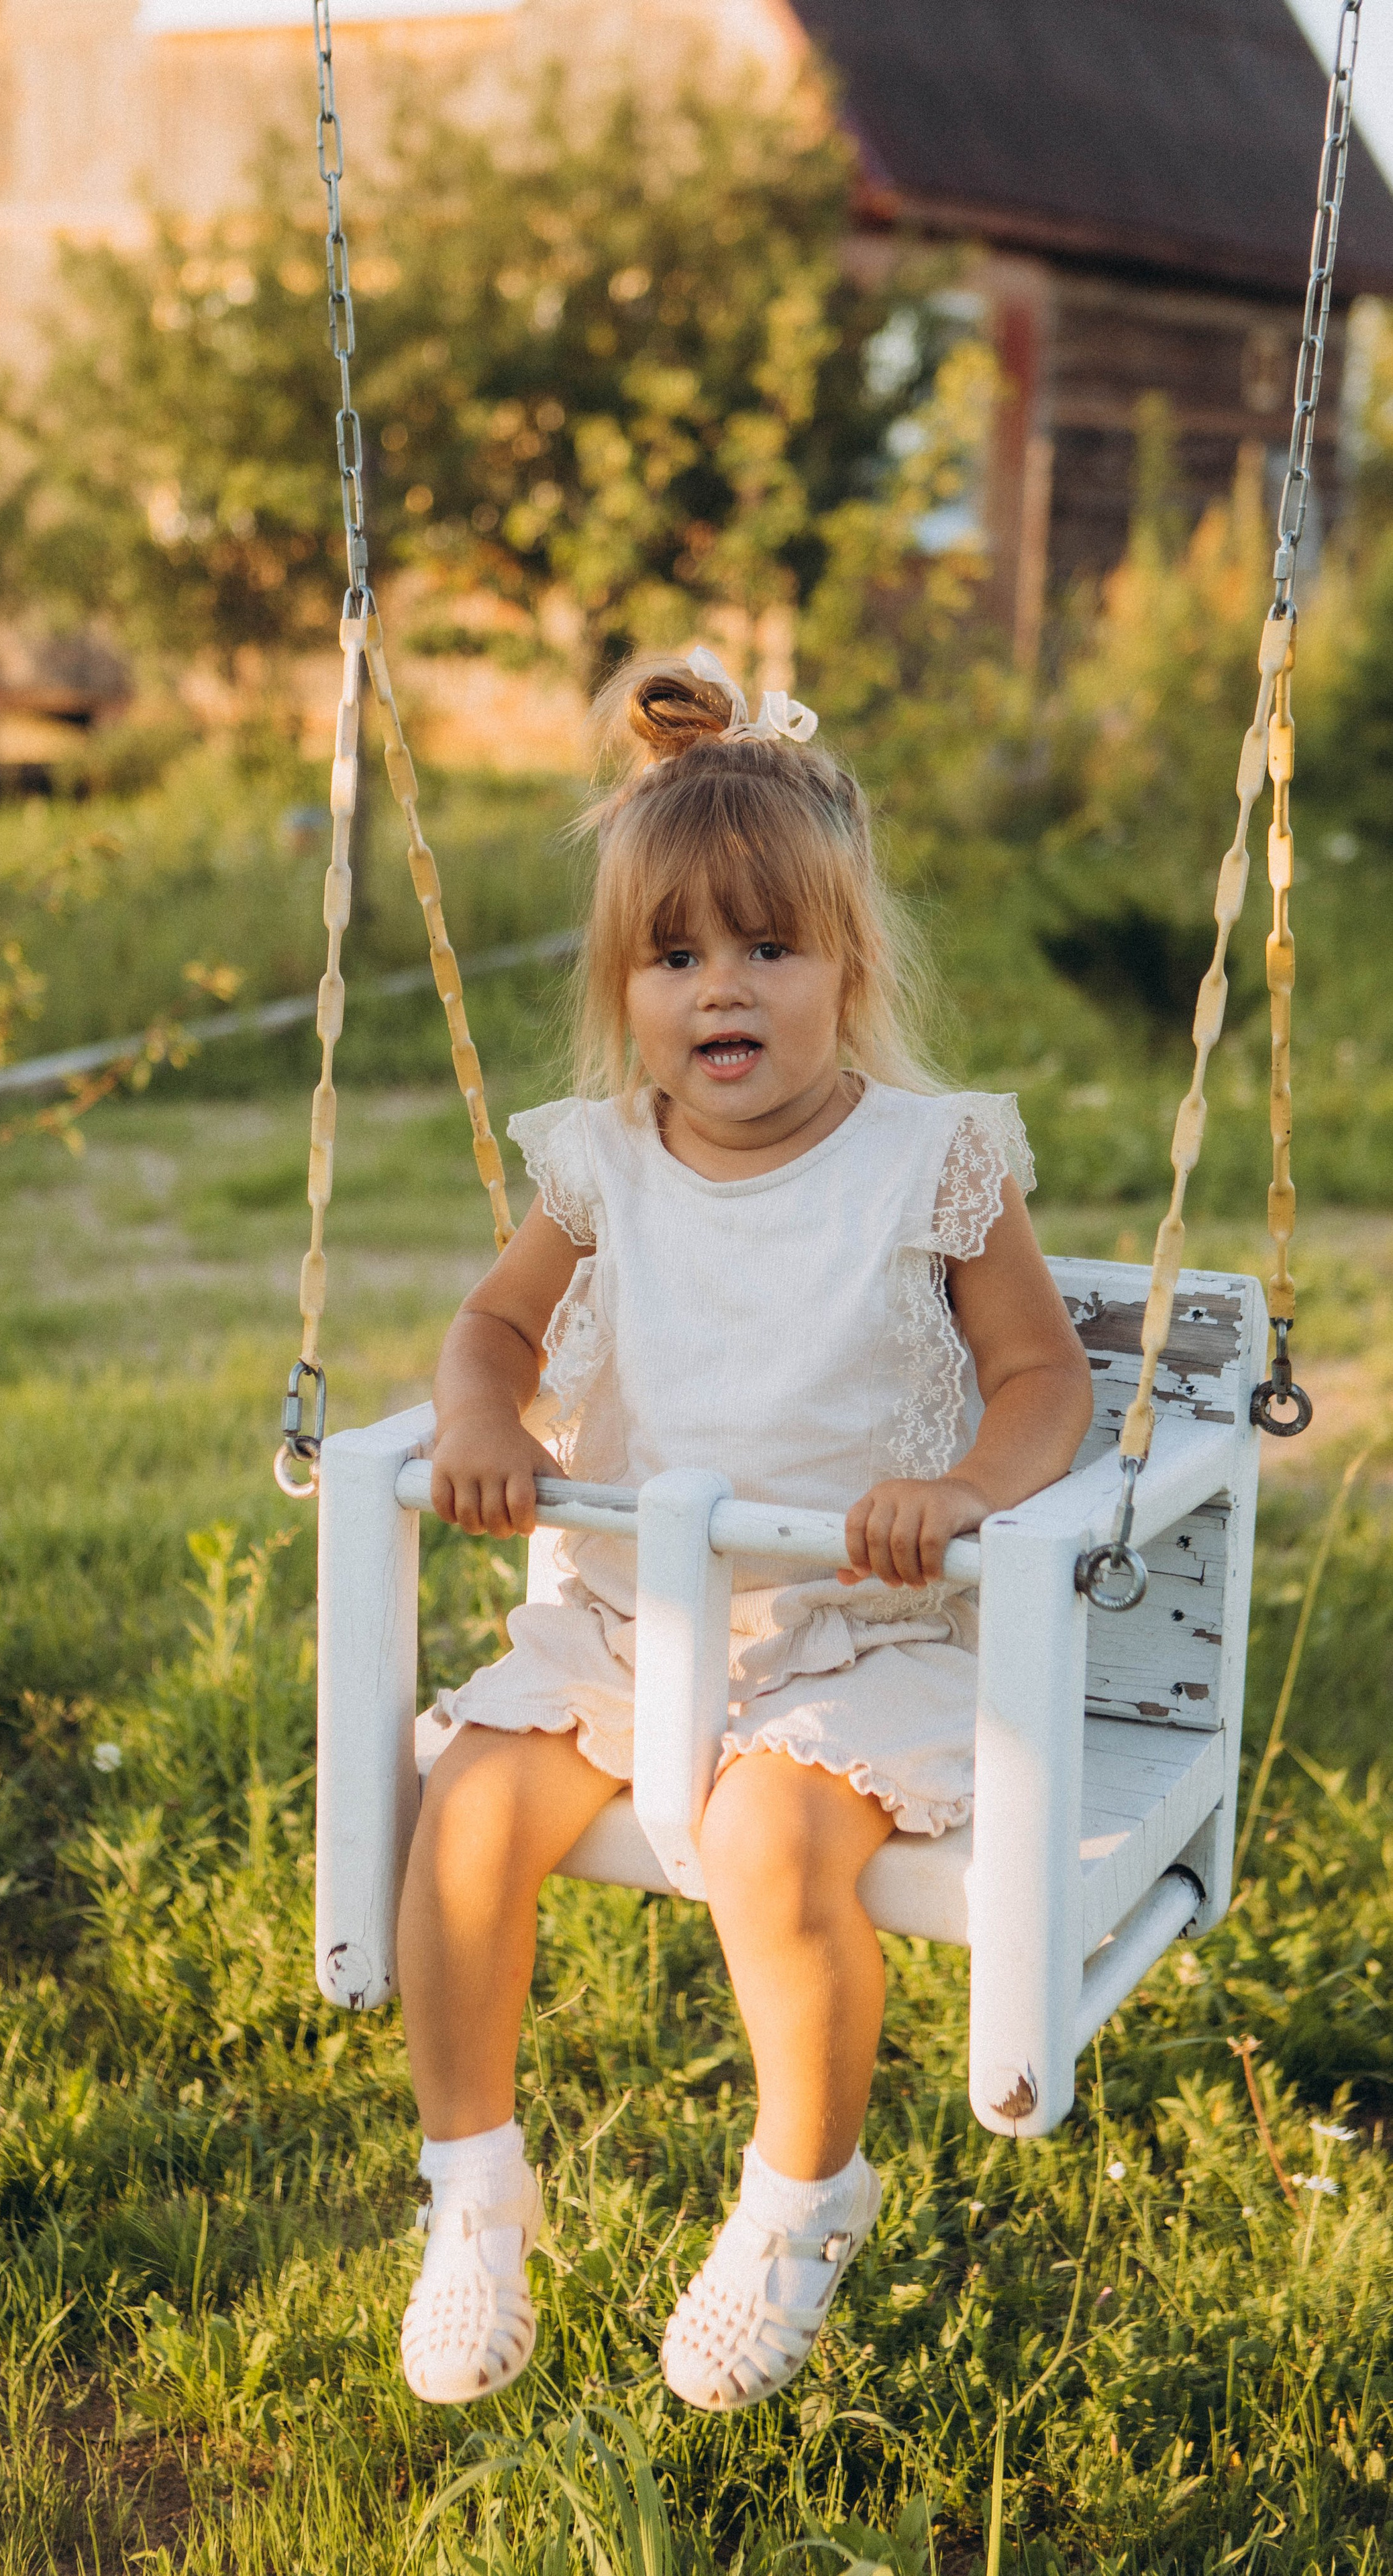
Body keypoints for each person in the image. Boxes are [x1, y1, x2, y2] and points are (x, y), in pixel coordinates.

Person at [394, 649, 1094, 2412]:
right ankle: (475, 2188)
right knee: (466, 1813)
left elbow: (1044, 1386)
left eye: (770, 950)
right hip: (622, 1623)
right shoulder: (598, 1166)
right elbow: (489, 1334)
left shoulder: (934, 1160)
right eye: (677, 953)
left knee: (773, 1853)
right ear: (626, 989)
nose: (726, 988)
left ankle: (799, 2196)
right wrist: (483, 1419)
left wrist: (963, 1495)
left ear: (847, 969)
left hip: (849, 1645)